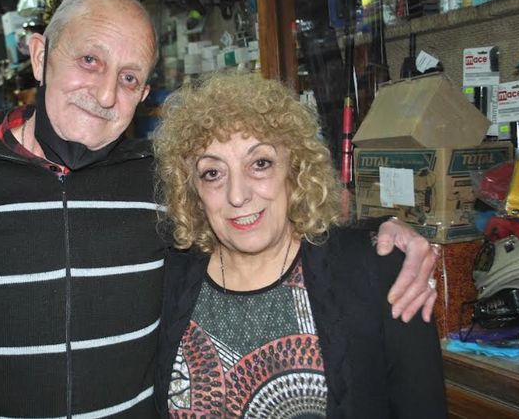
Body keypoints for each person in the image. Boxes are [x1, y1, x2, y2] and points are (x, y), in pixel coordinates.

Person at [0, 0, 439, 418]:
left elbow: (287, 220)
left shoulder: (154, 184)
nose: (105, 93)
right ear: (39, 56)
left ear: (143, 92)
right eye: (89, 61)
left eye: (129, 77)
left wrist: (392, 231)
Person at [152, 72, 447, 418]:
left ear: (295, 169)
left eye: (260, 164)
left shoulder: (382, 272)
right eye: (212, 173)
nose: (238, 195)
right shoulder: (165, 280)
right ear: (193, 191)